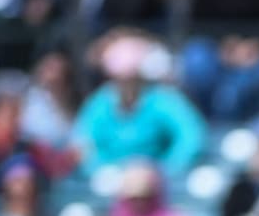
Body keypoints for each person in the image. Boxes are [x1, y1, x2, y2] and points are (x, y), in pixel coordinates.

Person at [72, 35, 207, 178]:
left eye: (133, 78)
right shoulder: (100, 102)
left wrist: (164, 171)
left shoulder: (163, 99)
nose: (126, 84)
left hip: (158, 182)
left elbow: (192, 138)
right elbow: (82, 143)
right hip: (110, 181)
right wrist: (104, 172)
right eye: (120, 78)